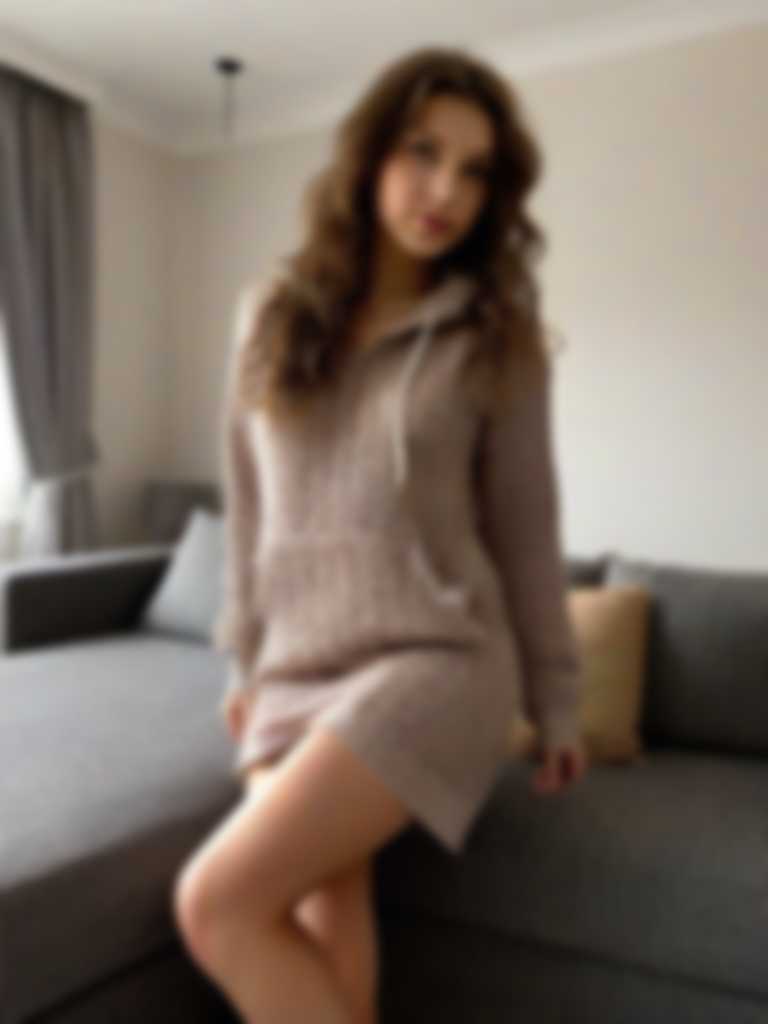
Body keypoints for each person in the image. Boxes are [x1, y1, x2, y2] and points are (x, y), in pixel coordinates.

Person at [173, 45, 589, 1024]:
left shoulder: (497, 337)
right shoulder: (269, 313)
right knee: (327, 910)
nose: (445, 191)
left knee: (215, 903)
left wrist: (557, 700)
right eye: (422, 152)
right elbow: (250, 504)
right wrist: (244, 662)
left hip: (435, 657)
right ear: (368, 155)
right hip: (298, 662)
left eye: (474, 171)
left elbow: (527, 530)